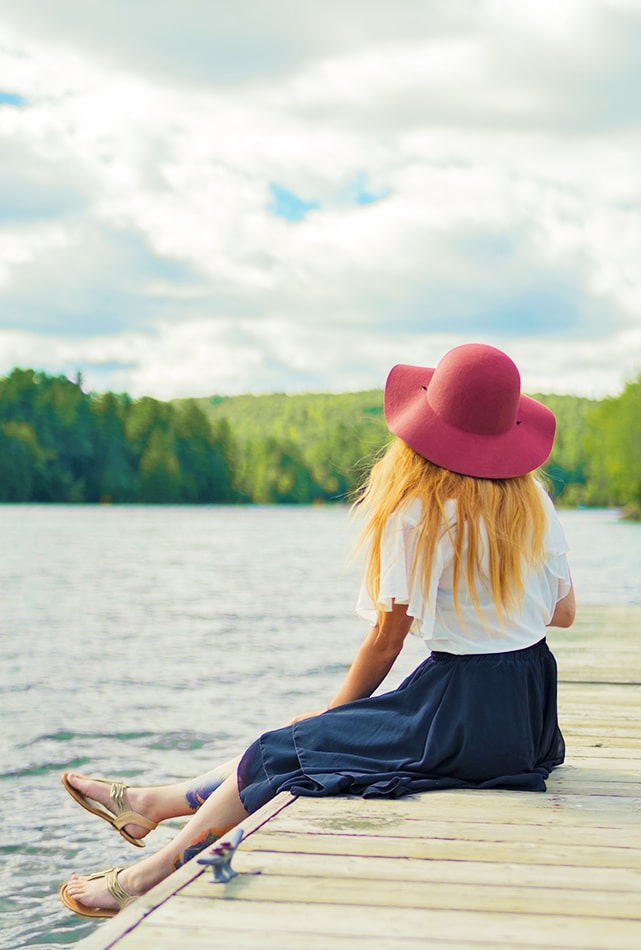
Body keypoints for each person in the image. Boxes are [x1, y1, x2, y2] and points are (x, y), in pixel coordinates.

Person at [59, 342, 576, 918]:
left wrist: (332, 713)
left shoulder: (417, 513)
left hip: (459, 712)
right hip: (527, 716)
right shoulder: (536, 503)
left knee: (286, 748)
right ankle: (152, 803)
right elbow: (562, 614)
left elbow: (386, 641)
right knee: (301, 744)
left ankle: (151, 873)